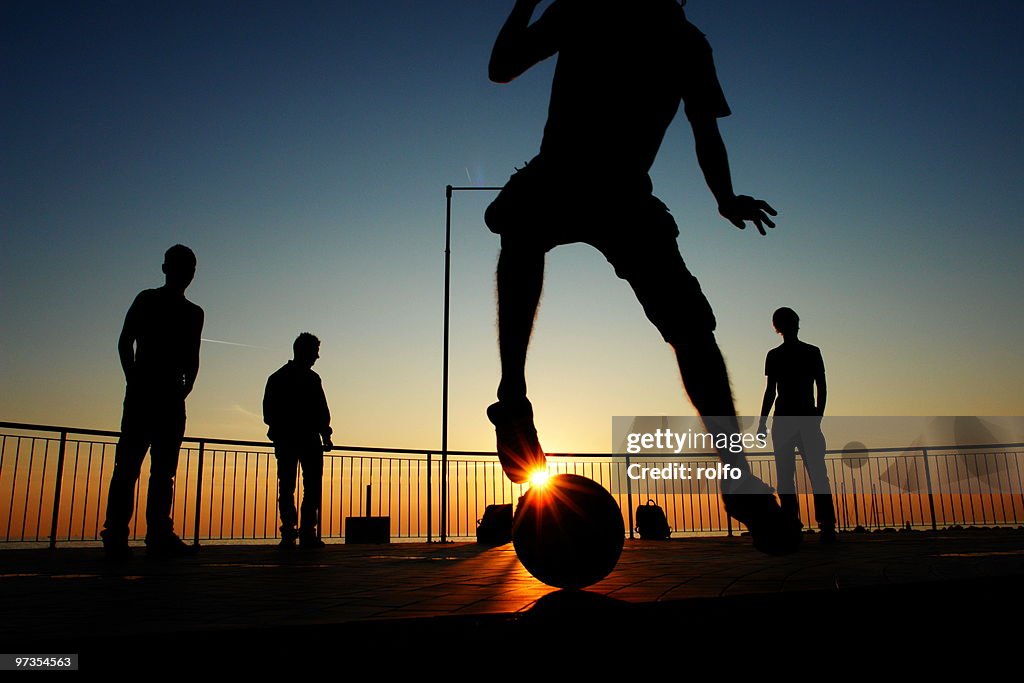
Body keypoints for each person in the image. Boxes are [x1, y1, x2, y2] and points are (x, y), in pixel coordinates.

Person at [485, 0, 797, 552]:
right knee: (522, 229)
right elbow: (503, 67)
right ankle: (514, 398)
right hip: (573, 176)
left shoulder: (683, 40)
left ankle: (735, 471)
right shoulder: (598, 12)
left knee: (691, 328)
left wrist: (725, 196)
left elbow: (705, 132)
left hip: (620, 192)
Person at [101, 244, 204, 559]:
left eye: (189, 267)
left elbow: (193, 355)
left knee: (163, 470)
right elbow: (124, 341)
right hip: (145, 394)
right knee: (129, 466)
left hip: (170, 396)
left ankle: (158, 532)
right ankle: (118, 534)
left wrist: (187, 386)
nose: (185, 273)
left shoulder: (194, 312)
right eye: (179, 266)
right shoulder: (147, 299)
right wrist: (133, 376)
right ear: (166, 269)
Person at [757, 307, 837, 542]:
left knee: (787, 474)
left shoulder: (777, 355)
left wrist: (762, 423)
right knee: (816, 473)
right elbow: (820, 388)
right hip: (800, 420)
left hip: (786, 421)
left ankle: (794, 524)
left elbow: (771, 392)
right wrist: (817, 416)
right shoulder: (810, 352)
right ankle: (825, 524)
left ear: (776, 327)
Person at [263, 332, 334, 549]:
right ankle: (304, 531)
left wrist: (324, 433)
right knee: (305, 486)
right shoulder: (307, 379)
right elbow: (321, 411)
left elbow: (269, 413)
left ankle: (292, 531)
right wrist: (325, 434)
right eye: (315, 352)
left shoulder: (278, 378)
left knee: (289, 486)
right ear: (305, 352)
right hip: (302, 439)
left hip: (290, 439)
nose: (317, 357)